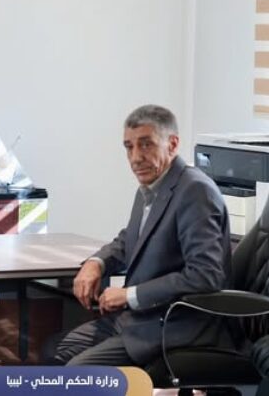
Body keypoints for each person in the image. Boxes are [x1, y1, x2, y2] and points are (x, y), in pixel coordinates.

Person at [52, 104, 234, 367]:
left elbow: (205, 275)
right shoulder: (152, 186)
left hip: (174, 327)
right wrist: (96, 263)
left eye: (146, 144)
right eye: (129, 147)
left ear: (172, 144)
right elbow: (131, 238)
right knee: (54, 351)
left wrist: (129, 295)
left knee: (79, 371)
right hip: (138, 320)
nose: (135, 157)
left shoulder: (195, 192)